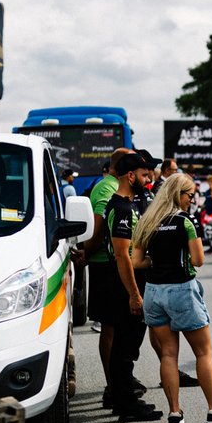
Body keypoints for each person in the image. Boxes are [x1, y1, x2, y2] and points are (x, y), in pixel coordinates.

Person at [131, 173, 212, 423]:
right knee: (203, 352)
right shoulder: (186, 221)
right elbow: (198, 260)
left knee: (168, 354)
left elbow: (136, 262)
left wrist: (156, 260)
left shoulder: (147, 221)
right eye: (190, 195)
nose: (192, 200)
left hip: (154, 291)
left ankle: (174, 413)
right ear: (178, 194)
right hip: (182, 289)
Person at [105, 150, 164, 421]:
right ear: (130, 176)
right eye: (143, 175)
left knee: (127, 346)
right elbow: (122, 256)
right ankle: (126, 406)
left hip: (130, 283)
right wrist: (134, 295)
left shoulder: (126, 205)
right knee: (125, 348)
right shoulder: (122, 208)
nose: (148, 178)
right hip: (125, 286)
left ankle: (123, 399)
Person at [80, 149, 137, 394]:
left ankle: (120, 379)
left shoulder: (113, 185)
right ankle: (113, 385)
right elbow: (98, 228)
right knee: (111, 326)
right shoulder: (107, 188)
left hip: (112, 261)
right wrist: (87, 253)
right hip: (105, 263)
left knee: (118, 326)